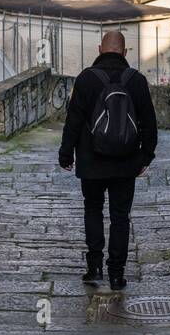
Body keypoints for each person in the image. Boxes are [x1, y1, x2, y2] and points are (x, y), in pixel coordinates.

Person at [58, 29, 158, 291]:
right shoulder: (136, 81)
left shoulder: (86, 79)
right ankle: (117, 273)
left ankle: (94, 267)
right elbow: (149, 123)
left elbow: (74, 120)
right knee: (120, 217)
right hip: (126, 161)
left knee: (93, 209)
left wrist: (66, 152)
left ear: (100, 50)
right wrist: (146, 155)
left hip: (92, 161)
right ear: (125, 53)